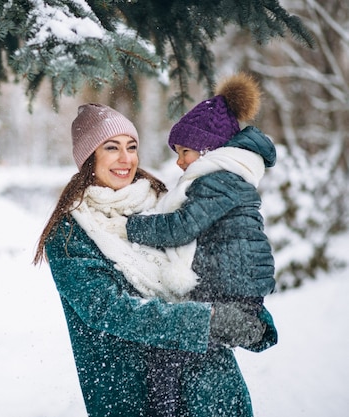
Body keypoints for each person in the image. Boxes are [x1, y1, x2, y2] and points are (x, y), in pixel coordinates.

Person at [33, 102, 276, 417]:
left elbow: (222, 259)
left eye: (131, 147)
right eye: (111, 148)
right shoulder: (70, 235)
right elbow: (109, 310)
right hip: (134, 395)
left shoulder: (163, 201)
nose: (126, 158)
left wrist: (251, 315)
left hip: (211, 389)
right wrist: (208, 321)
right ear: (89, 157)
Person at [125, 73, 279, 416]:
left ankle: (162, 410)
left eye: (185, 152)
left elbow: (182, 228)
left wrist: (132, 227)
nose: (179, 161)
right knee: (183, 354)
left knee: (170, 352)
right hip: (233, 287)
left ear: (209, 148)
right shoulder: (229, 177)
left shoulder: (218, 180)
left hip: (231, 291)